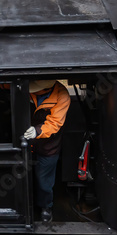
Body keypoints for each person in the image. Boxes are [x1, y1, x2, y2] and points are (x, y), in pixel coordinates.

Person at [22, 80, 70, 222]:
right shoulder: (28, 88)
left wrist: (37, 131)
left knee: (44, 182)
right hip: (25, 144)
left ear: (47, 88)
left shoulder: (62, 96)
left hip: (48, 147)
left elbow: (54, 123)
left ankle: (46, 207)